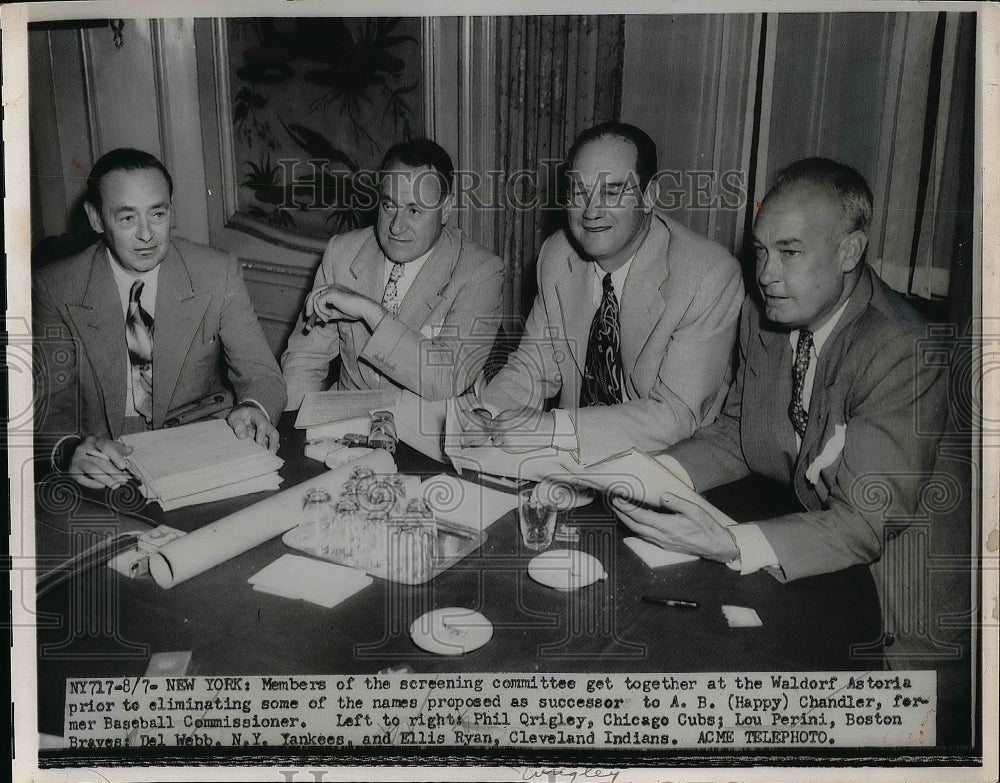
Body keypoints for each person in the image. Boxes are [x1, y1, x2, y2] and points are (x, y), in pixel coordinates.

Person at [612, 158, 961, 673]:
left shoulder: (901, 350)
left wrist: (728, 542)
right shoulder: (767, 315)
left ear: (849, 251)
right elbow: (739, 431)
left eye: (790, 253)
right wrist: (649, 473)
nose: (767, 274)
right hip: (813, 559)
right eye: (761, 252)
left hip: (898, 607)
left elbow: (865, 524)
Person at [461, 122, 743, 465]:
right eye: (579, 192)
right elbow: (530, 369)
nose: (591, 211)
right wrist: (487, 413)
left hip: (667, 469)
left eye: (611, 192)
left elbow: (676, 416)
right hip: (578, 466)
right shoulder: (557, 256)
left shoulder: (707, 275)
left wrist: (553, 429)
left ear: (649, 195)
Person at [33, 148, 287, 489]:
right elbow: (48, 403)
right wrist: (69, 450)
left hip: (200, 446)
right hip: (105, 459)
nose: (146, 235)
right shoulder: (56, 286)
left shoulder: (216, 272)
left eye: (157, 214)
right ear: (95, 219)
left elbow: (262, 373)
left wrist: (255, 407)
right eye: (127, 218)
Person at [281, 138, 505, 408]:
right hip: (347, 429)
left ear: (446, 209)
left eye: (414, 210)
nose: (396, 227)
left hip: (428, 436)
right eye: (389, 205)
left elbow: (445, 379)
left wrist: (370, 312)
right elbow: (304, 362)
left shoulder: (481, 271)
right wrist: (294, 431)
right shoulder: (342, 252)